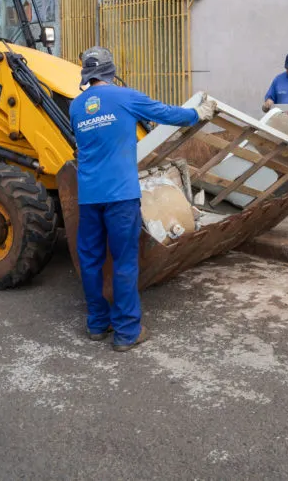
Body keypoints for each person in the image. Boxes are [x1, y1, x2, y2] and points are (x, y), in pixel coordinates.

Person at [70, 46, 217, 352]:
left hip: (88, 197)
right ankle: (126, 332)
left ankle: (97, 324)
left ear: (86, 74)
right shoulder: (124, 96)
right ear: (111, 72)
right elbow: (165, 113)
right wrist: (197, 113)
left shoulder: (76, 106)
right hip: (120, 196)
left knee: (91, 261)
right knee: (124, 261)